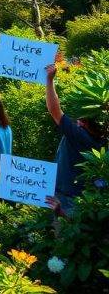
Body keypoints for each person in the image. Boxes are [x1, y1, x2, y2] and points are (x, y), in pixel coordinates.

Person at [44, 63, 106, 215]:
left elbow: (54, 110)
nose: (77, 121)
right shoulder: (102, 141)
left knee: (64, 234)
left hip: (67, 200)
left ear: (86, 122)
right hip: (87, 200)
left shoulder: (80, 135)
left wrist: (50, 81)